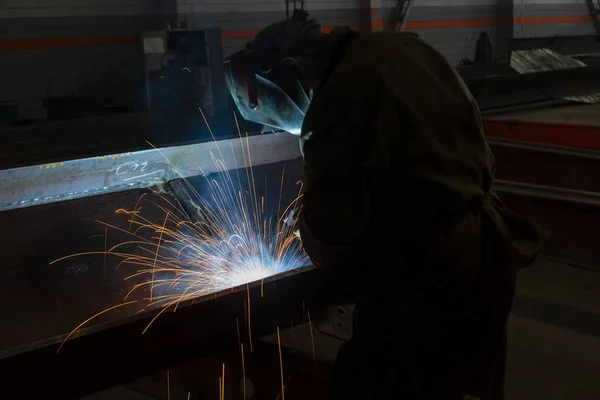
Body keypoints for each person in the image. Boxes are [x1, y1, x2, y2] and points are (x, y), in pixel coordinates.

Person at [223, 10, 546, 400]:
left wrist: (302, 230)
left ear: (292, 68)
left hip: (428, 274)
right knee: (468, 386)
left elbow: (334, 233)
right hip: (488, 248)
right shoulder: (403, 48)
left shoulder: (339, 94)